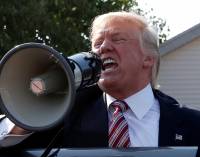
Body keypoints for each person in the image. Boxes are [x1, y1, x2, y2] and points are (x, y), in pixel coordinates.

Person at [1, 11, 200, 149]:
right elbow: (6, 143)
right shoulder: (66, 115)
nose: (103, 48)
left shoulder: (191, 125)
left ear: (148, 58)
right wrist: (36, 106)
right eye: (97, 43)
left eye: (118, 39)